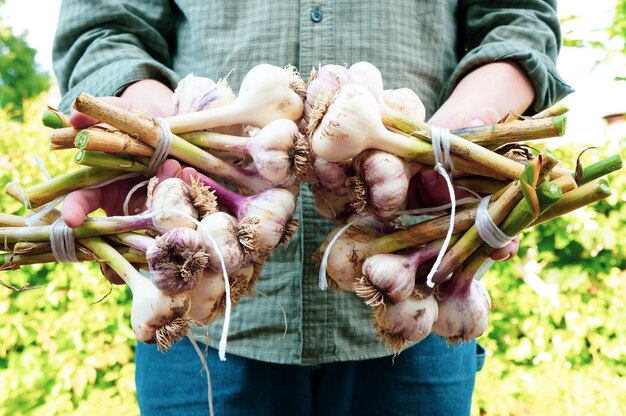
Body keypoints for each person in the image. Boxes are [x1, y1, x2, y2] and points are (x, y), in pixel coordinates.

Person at [53, 1, 572, 414]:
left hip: (424, 300)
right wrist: (156, 127)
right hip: (200, 319)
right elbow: (104, 24)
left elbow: (519, 19)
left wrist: (461, 134)